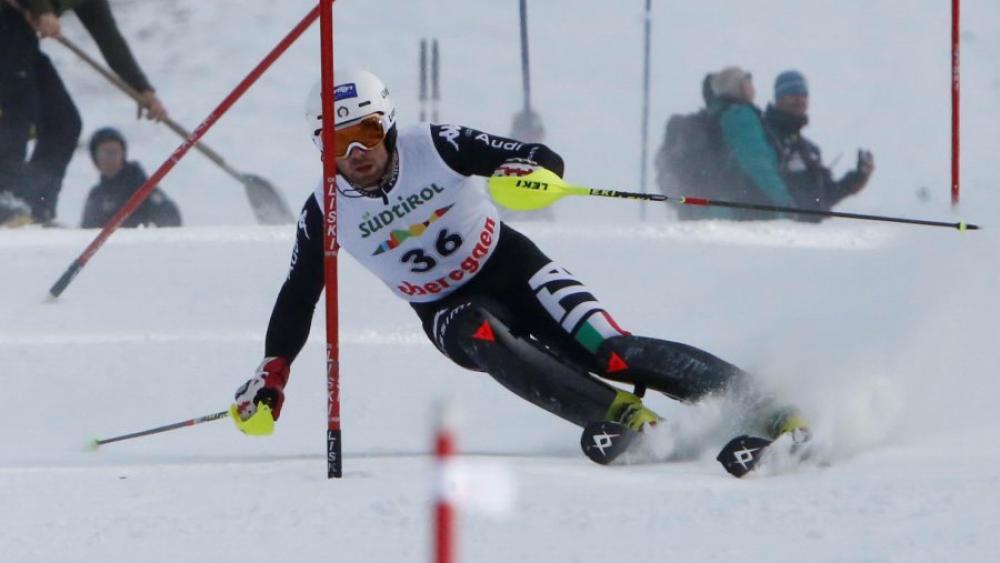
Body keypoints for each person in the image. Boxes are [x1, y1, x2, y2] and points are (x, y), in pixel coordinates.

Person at [231, 69, 807, 461]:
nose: (356, 155)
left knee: (608, 350)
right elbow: (298, 295)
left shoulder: (435, 143)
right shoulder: (324, 211)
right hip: (446, 307)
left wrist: (529, 173)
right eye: (337, 143)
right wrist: (273, 370)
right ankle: (628, 420)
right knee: (481, 333)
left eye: (365, 133)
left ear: (387, 123)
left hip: (512, 266)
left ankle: (766, 404)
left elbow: (536, 157)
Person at [0, 0, 167, 225]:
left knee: (64, 123)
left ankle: (35, 208)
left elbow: (109, 40)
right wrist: (42, 10)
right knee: (18, 107)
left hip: (21, 39)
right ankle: (5, 196)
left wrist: (142, 88)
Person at [764, 70, 874, 221]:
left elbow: (826, 197)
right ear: (779, 98)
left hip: (811, 236)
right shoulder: (765, 137)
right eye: (792, 94)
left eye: (804, 95)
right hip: (778, 231)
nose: (799, 100)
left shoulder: (809, 149)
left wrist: (858, 178)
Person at [80, 127, 180, 229]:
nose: (109, 159)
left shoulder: (139, 185)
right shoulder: (96, 195)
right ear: (95, 157)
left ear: (122, 155)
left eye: (114, 153)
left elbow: (170, 217)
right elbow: (87, 230)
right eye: (104, 154)